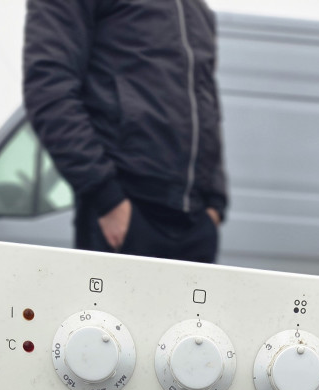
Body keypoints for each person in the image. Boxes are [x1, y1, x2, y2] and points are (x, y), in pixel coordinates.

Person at [23, 0, 228, 264]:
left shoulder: (197, 8)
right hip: (126, 216)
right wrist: (107, 199)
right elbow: (48, 86)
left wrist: (215, 203)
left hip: (196, 227)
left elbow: (208, 105)